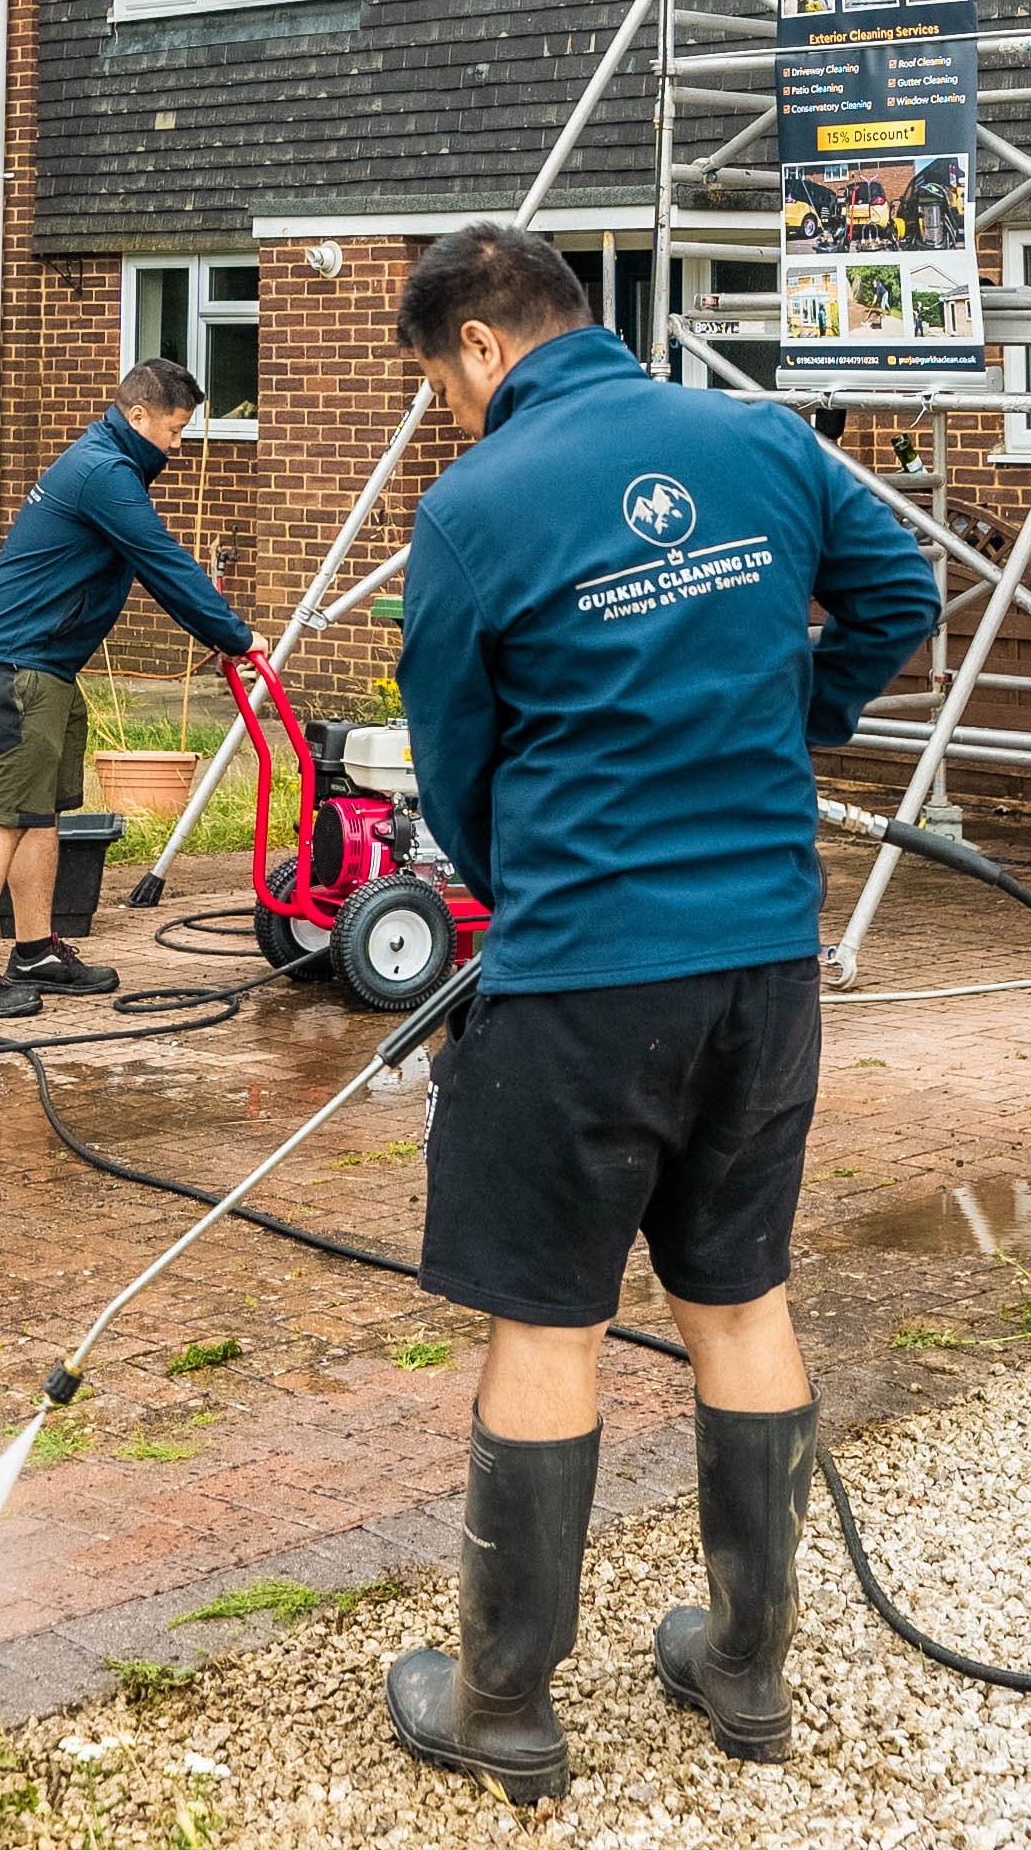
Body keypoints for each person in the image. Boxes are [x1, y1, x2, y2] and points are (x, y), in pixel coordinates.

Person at [381, 224, 942, 1804]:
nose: (449, 413)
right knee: (739, 1295)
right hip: (765, 964)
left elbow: (453, 746)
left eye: (442, 383)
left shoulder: (476, 503)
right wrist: (800, 718)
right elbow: (902, 588)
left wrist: (519, 879)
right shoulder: (759, 439)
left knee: (548, 1316)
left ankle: (503, 1707)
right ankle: (746, 1669)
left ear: (481, 349)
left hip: (584, 975)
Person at [0, 358, 254, 1017]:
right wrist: (237, 637)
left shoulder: (106, 462)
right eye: (174, 427)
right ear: (138, 416)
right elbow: (164, 562)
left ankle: (36, 950)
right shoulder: (106, 474)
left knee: (41, 815)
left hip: (46, 666)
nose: (179, 442)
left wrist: (222, 635)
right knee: (3, 818)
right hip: (17, 666)